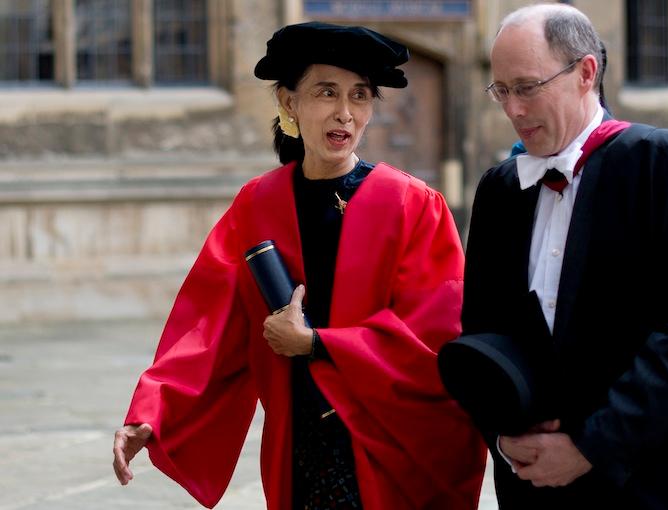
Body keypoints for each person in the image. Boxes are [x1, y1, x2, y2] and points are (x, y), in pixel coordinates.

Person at [112, 21, 485, 510]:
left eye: (359, 96)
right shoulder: (258, 204)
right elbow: (207, 326)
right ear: (289, 103)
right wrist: (152, 413)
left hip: (385, 442)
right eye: (326, 93)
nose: (345, 113)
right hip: (298, 442)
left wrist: (316, 343)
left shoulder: (412, 205)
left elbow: (434, 333)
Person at [457, 4, 668, 509]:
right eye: (500, 90)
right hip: (538, 485)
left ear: (585, 73)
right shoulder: (501, 190)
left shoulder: (667, 164)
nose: (512, 110)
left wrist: (592, 445)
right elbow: (483, 331)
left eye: (527, 87)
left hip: (654, 475)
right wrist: (503, 438)